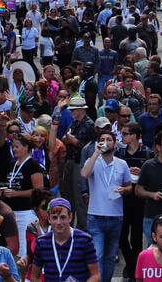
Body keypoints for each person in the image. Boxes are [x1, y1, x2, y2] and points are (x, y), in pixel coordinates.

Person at [81, 129, 132, 282]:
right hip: (96, 216)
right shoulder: (92, 160)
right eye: (102, 139)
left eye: (109, 139)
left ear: (115, 144)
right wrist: (96, 154)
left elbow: (130, 186)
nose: (105, 142)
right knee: (98, 254)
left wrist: (125, 190)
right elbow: (84, 174)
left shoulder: (122, 164)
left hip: (116, 217)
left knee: (110, 257)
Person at [28, 197, 100, 282]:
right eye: (54, 218)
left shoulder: (84, 240)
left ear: (70, 217)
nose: (58, 222)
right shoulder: (42, 242)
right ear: (49, 219)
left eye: (63, 217)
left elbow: (96, 275)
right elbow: (34, 277)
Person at [2, 134, 47, 259]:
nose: (14, 149)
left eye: (17, 146)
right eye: (13, 146)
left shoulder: (33, 165)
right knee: (12, 250)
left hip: (26, 212)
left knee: (24, 252)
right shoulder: (12, 165)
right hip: (11, 212)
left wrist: (16, 193)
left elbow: (38, 190)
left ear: (26, 147)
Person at [118, 121, 152, 279]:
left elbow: (153, 178)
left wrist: (142, 173)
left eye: (125, 134)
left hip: (139, 200)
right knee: (122, 235)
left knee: (137, 236)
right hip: (122, 199)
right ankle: (131, 263)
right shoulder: (119, 153)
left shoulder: (147, 153)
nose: (122, 136)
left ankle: (135, 268)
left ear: (134, 136)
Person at [61, 95, 95, 225]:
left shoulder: (88, 124)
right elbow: (67, 137)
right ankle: (69, 225)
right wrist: (70, 139)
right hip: (70, 161)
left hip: (80, 163)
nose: (71, 112)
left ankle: (82, 227)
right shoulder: (75, 122)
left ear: (81, 109)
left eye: (73, 109)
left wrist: (71, 139)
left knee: (79, 197)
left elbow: (80, 143)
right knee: (68, 196)